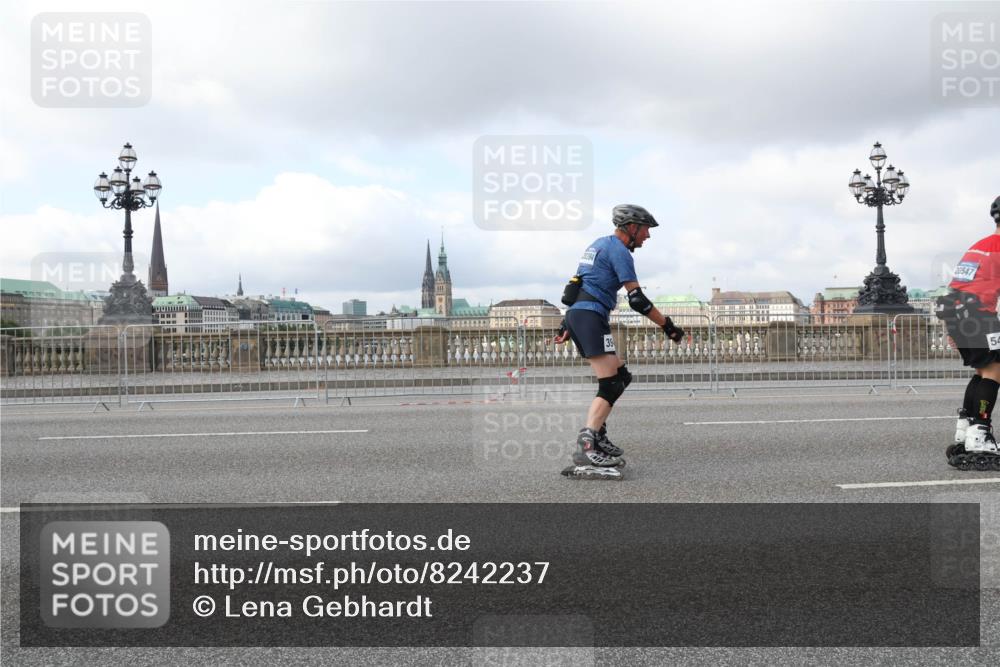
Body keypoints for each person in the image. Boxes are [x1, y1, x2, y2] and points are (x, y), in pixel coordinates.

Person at [554, 204, 685, 469]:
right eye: (646, 229)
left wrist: (566, 321)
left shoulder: (597, 244)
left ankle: (598, 435)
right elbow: (636, 299)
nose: (648, 236)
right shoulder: (620, 251)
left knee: (621, 376)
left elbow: (575, 285)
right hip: (589, 316)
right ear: (632, 228)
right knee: (611, 384)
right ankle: (587, 446)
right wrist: (668, 326)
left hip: (583, 314)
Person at [938, 195, 1000, 470]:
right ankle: (981, 433)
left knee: (981, 370)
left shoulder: (978, 246)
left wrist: (952, 327)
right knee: (994, 372)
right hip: (980, 314)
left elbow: (955, 286)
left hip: (956, 312)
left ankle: (966, 427)